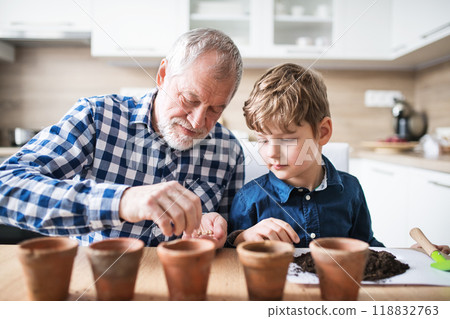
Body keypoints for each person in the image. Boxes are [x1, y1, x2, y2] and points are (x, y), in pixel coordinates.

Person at [0, 28, 244, 248]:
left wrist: (219, 231)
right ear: (162, 75)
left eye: (215, 110)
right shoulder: (97, 117)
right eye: (189, 100)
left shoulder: (229, 150)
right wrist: (123, 201)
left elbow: (231, 237)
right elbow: (5, 186)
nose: (197, 122)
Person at [227, 63, 383, 248]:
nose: (272, 153)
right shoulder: (249, 200)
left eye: (286, 141)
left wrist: (411, 257)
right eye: (263, 140)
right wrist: (243, 238)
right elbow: (231, 260)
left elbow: (367, 248)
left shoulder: (351, 190)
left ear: (323, 132)